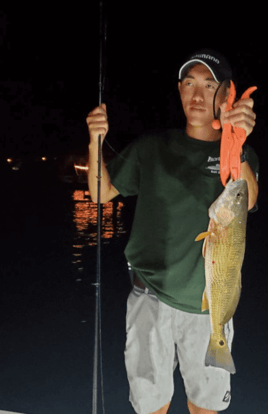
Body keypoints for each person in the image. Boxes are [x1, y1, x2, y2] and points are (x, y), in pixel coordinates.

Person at [86, 49, 259, 414]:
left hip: (209, 307)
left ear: (227, 94)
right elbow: (101, 193)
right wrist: (95, 140)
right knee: (151, 407)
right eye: (189, 84)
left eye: (209, 85)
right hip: (150, 299)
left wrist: (237, 143)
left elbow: (246, 196)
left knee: (205, 407)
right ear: (179, 91)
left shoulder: (238, 157)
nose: (197, 96)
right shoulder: (151, 147)